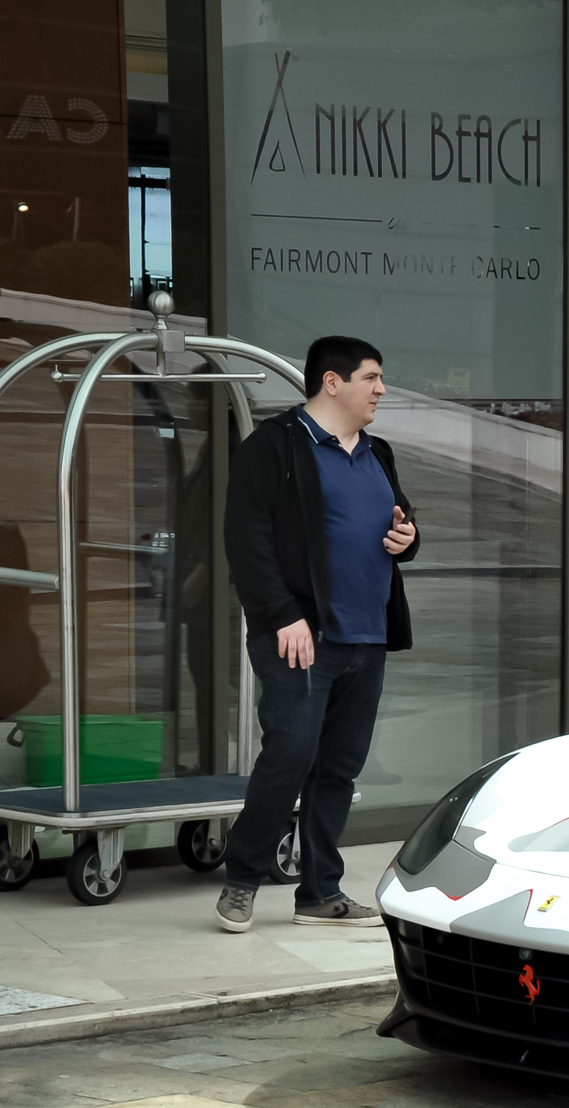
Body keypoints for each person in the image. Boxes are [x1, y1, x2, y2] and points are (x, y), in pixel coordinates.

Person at [214, 336, 419, 933]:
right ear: (333, 382)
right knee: (289, 756)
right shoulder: (274, 447)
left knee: (339, 768)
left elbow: (400, 523)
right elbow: (245, 541)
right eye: (372, 378)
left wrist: (408, 538)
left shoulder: (378, 452)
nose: (381, 389)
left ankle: (320, 891)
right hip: (301, 636)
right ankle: (242, 881)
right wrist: (282, 615)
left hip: (368, 636)